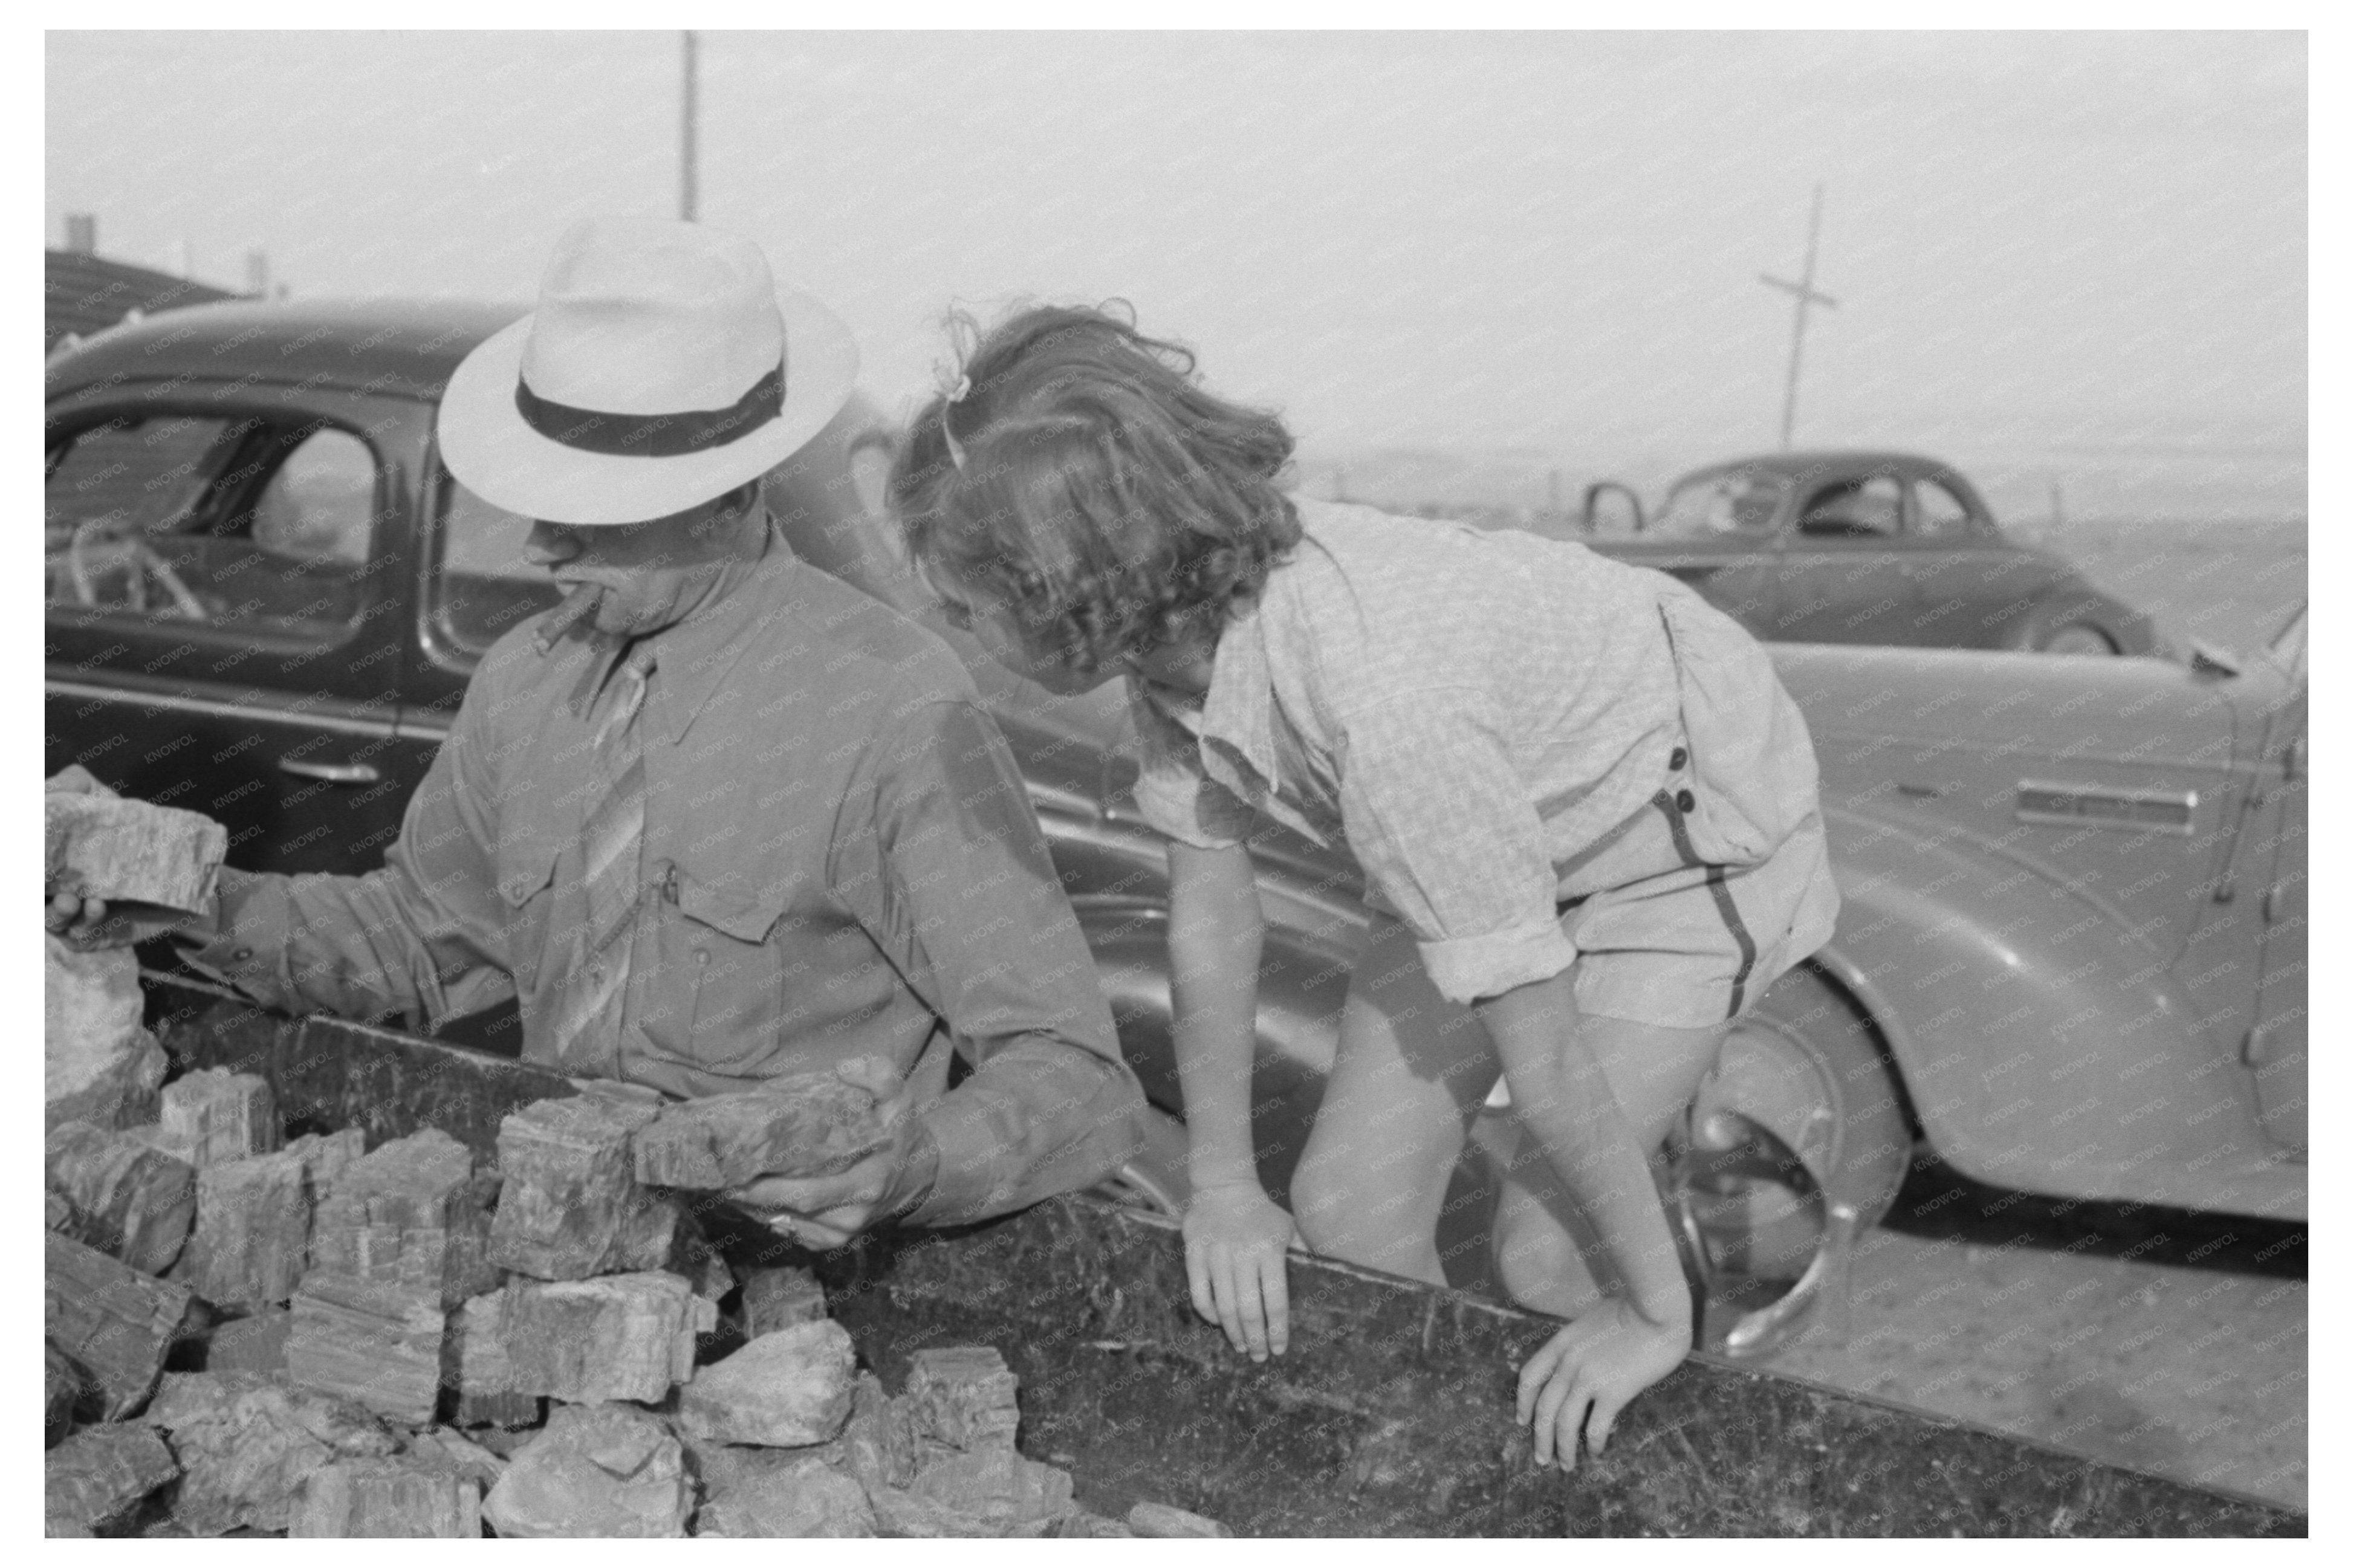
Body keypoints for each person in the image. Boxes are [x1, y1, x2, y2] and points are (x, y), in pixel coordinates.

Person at [45, 221, 1146, 1248]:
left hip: (791, 1292)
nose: (541, 545)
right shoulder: (526, 682)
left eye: (593, 504)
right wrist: (182, 898)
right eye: (543, 491)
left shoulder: (894, 708)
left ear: (728, 490)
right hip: (552, 1259)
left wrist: (909, 1166)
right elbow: (413, 940)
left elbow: (1076, 1077)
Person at [886, 303, 1839, 1470]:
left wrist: (1652, 1312)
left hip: (1670, 835)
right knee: (1350, 1207)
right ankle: (1463, 1470)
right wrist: (1224, 1186)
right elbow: (1212, 913)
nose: (949, 625)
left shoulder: (1387, 706)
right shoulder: (1170, 636)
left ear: (1069, 597)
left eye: (965, 607)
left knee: (1549, 1255)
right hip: (1491, 820)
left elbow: (1541, 1047)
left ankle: (1658, 1468)